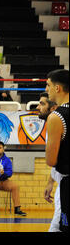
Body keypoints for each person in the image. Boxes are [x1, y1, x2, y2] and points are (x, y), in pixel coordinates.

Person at [44, 69, 69, 232]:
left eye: (48, 85)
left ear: (57, 88)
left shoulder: (56, 117)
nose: (47, 90)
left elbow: (51, 161)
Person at [36, 93, 61, 232]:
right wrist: (51, 181)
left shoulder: (59, 124)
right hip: (60, 183)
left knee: (56, 226)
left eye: (42, 104)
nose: (38, 107)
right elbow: (57, 159)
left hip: (65, 184)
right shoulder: (50, 127)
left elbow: (55, 159)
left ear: (53, 108)